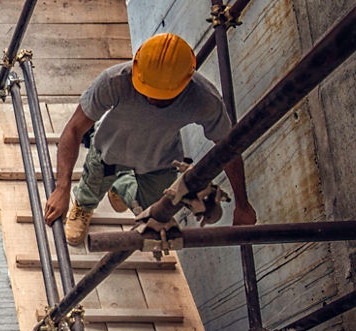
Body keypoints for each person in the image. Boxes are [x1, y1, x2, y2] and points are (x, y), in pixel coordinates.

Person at [44, 33, 256, 246]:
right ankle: (84, 205)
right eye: (147, 91)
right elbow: (73, 130)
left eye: (162, 95)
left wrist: (243, 204)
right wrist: (62, 189)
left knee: (154, 211)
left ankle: (120, 185)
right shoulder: (114, 81)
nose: (152, 98)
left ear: (186, 82)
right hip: (110, 150)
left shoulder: (203, 99)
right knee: (92, 186)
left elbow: (228, 149)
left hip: (159, 159)